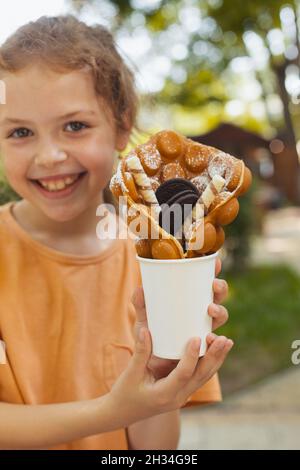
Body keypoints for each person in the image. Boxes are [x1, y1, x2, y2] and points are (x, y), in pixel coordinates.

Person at [0, 15, 232, 450]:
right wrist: (113, 410)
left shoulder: (160, 260)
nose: (49, 155)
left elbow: (155, 452)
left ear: (122, 126)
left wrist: (163, 374)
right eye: (20, 132)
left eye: (75, 126)